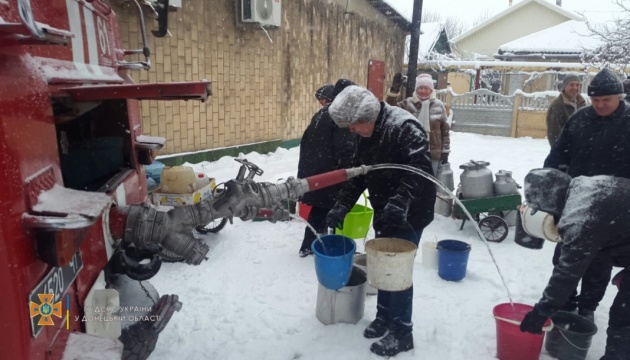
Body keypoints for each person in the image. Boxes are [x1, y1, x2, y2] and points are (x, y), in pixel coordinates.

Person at [326, 85, 435, 357]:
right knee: (381, 263)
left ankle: (402, 331)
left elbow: (419, 172)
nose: (351, 130)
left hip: (411, 211)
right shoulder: (365, 135)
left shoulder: (404, 127)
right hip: (386, 207)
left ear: (368, 116)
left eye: (354, 125)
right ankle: (385, 316)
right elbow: (360, 175)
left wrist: (401, 202)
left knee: (396, 269)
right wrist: (341, 206)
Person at [542, 68, 630, 321]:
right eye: (595, 100)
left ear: (619, 97)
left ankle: (587, 307)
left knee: (599, 263)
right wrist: (551, 186)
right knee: (565, 256)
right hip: (576, 201)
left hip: (614, 207)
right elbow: (558, 157)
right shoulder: (580, 119)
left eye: (606, 100)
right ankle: (564, 302)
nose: (600, 105)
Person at [519, 168, 630, 360]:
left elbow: (567, 272)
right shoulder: (584, 185)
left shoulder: (581, 218)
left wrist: (543, 309)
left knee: (624, 319)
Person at [296, 79, 356, 257]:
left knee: (320, 207)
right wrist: (347, 171)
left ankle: (311, 244)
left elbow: (305, 142)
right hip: (330, 173)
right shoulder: (340, 115)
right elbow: (346, 148)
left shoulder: (323, 113)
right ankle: (329, 246)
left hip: (315, 171)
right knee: (332, 208)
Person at [386, 73, 450, 175]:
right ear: (416, 89)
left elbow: (445, 131)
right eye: (420, 88)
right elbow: (390, 110)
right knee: (413, 181)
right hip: (411, 151)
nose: (423, 91)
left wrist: (445, 151)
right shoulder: (408, 104)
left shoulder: (439, 106)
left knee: (430, 183)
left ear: (431, 90)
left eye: (426, 88)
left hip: (433, 153)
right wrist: (394, 91)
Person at [546, 73, 586, 147]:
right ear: (564, 87)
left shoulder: (582, 104)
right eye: (571, 84)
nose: (575, 87)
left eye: (577, 85)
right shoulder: (557, 106)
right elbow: (554, 135)